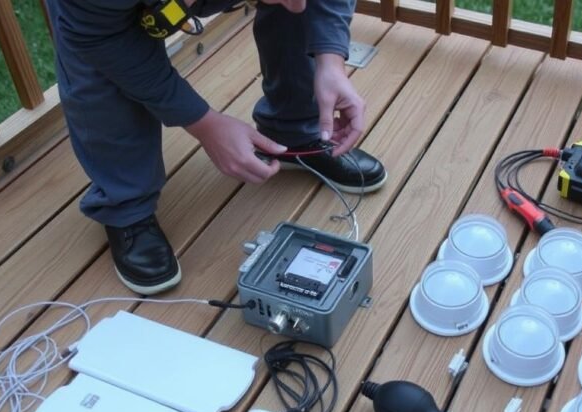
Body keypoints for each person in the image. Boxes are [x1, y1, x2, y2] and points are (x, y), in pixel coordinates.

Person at [45, 0, 387, 294]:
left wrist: (330, 60)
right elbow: (100, 37)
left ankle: (296, 132)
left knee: (291, 7)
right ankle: (126, 202)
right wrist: (204, 123)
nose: (301, 6)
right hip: (96, 22)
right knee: (101, 73)